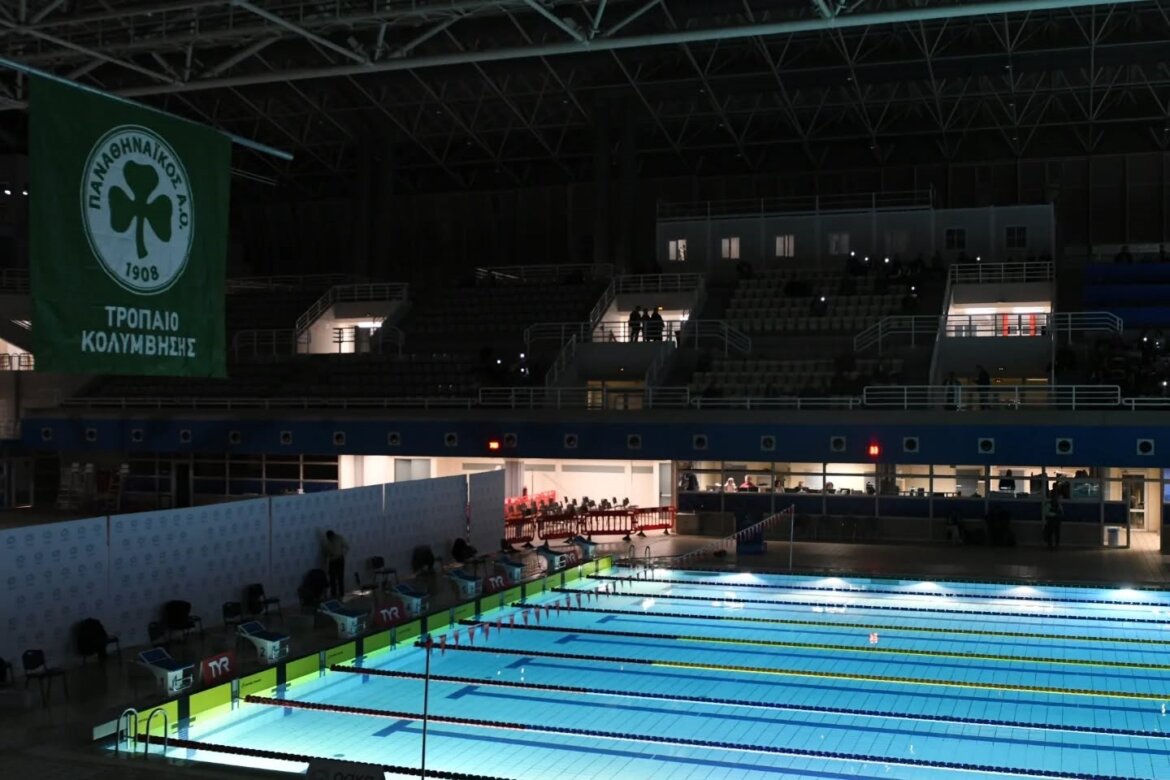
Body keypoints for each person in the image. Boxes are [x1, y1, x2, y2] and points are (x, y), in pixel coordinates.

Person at [322, 530, 349, 599]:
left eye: (331, 537)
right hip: (332, 561)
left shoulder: (339, 538)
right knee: (332, 578)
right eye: (329, 538)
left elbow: (347, 547)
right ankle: (333, 594)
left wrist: (342, 554)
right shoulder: (327, 543)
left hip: (339, 559)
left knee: (340, 577)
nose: (330, 539)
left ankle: (341, 594)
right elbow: (325, 555)